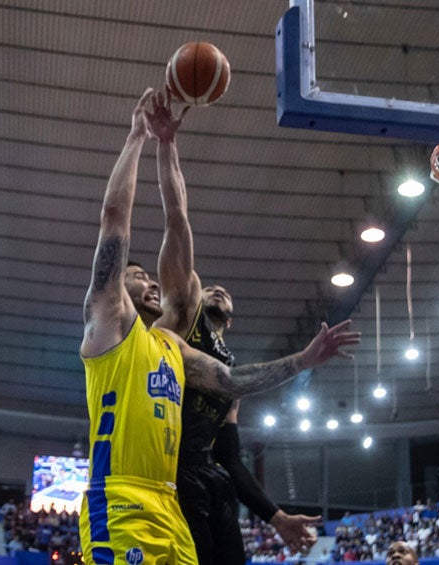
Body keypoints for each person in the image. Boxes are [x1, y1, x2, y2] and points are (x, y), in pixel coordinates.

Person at [79, 88, 360, 565]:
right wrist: (136, 138)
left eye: (150, 277)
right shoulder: (108, 327)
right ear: (117, 292)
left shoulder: (170, 345)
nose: (148, 280)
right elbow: (114, 222)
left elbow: (232, 381)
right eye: (136, 276)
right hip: (121, 501)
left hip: (170, 508)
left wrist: (305, 360)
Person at [143, 89, 320, 565]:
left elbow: (231, 458)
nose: (218, 290)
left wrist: (275, 515)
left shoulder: (230, 369)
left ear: (234, 317)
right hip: (168, 475)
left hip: (210, 478)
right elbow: (177, 219)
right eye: (212, 288)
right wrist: (166, 145)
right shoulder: (182, 310)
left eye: (227, 294)